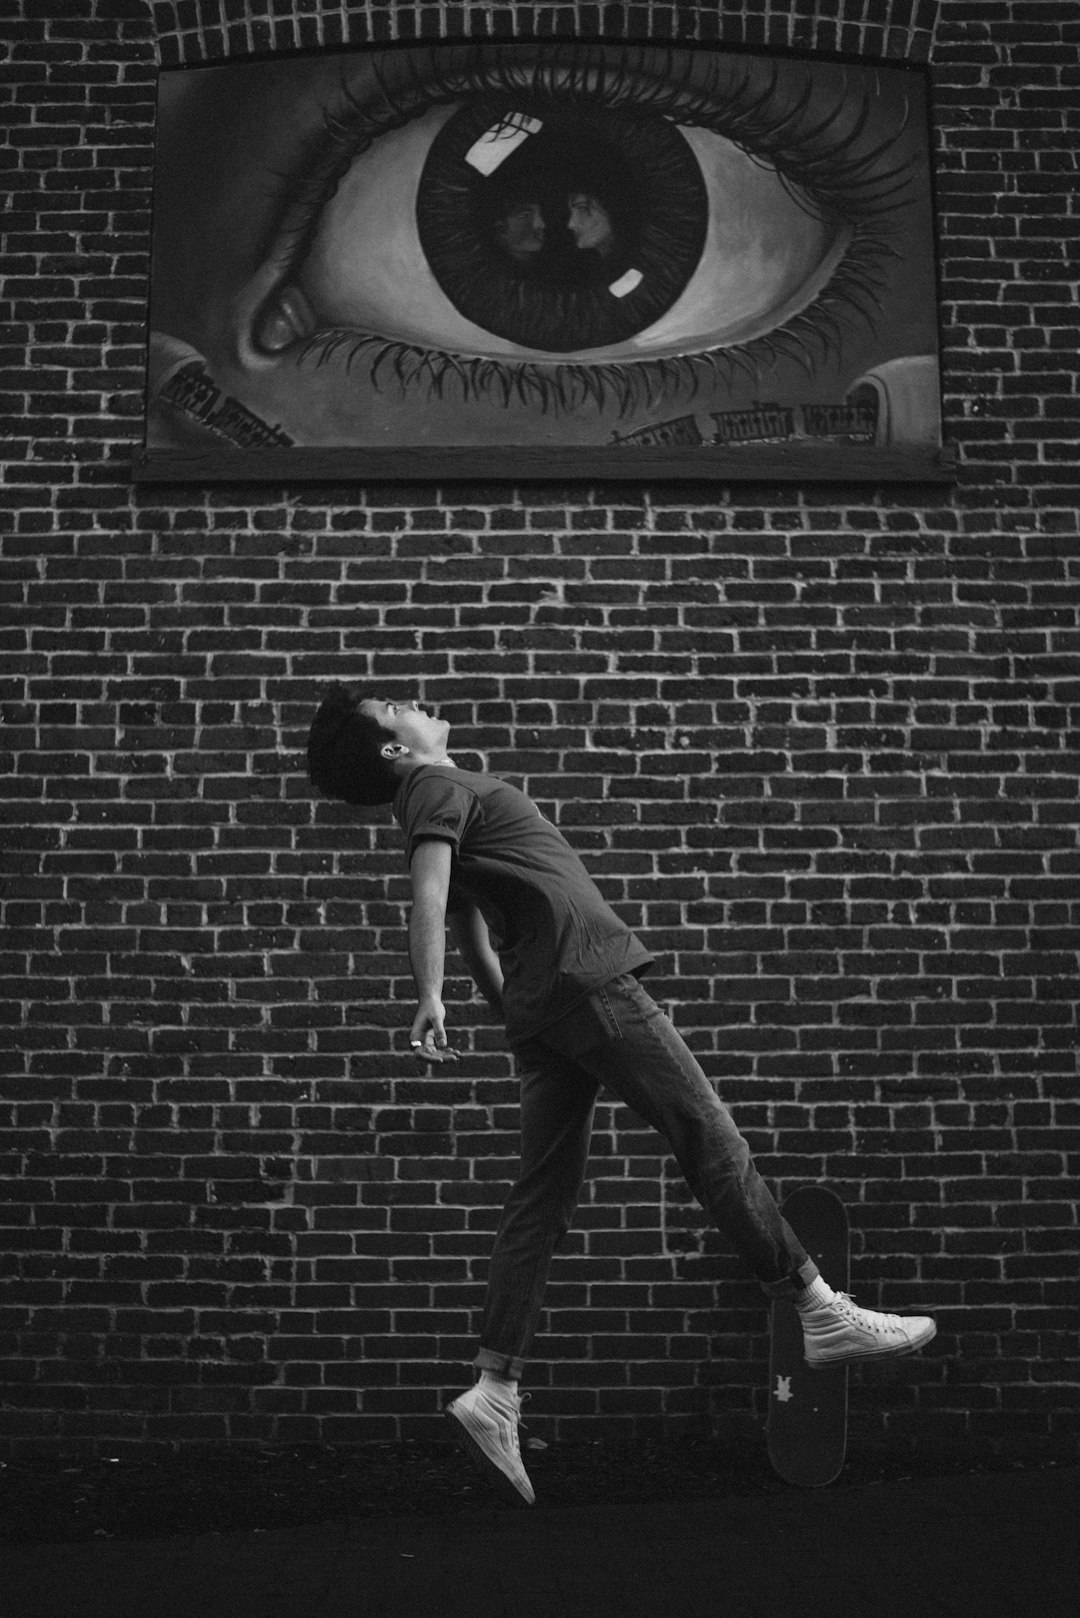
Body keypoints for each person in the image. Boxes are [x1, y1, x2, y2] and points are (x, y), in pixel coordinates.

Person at [306, 685, 937, 1506]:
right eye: (394, 706)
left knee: (542, 1196)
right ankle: (817, 1306)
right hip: (593, 984)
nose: (416, 701)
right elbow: (430, 894)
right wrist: (430, 996)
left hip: (549, 1006)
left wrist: (513, 1009)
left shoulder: (442, 798)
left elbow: (467, 918)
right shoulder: (435, 786)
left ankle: (494, 1385)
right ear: (394, 749)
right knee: (709, 1136)